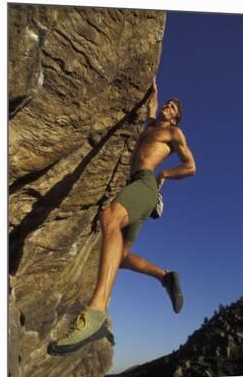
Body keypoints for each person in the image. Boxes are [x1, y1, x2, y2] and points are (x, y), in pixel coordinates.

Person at [48, 78, 196, 355]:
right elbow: (152, 107)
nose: (168, 106)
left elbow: (190, 166)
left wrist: (165, 174)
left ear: (177, 116)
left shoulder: (175, 133)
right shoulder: (152, 127)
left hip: (145, 184)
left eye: (173, 106)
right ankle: (166, 277)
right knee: (120, 257)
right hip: (134, 185)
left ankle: (96, 310)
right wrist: (154, 90)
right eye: (168, 103)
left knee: (109, 217)